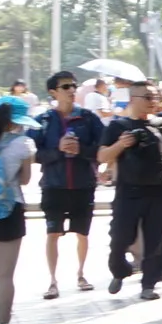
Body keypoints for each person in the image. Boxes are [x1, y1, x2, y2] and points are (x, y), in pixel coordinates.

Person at [99, 84, 162, 301]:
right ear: (133, 98)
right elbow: (102, 156)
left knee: (156, 239)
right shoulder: (117, 126)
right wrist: (121, 145)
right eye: (148, 96)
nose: (153, 100)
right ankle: (119, 270)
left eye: (156, 96)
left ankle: (149, 284)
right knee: (120, 238)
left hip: (158, 190)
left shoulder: (161, 126)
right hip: (128, 191)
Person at [33, 73, 101, 296]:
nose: (72, 90)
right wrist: (58, 150)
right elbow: (34, 154)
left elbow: (102, 149)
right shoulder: (43, 120)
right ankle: (52, 280)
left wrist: (81, 151)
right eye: (65, 86)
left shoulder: (89, 119)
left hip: (83, 184)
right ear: (53, 92)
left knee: (82, 233)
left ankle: (81, 274)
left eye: (74, 85)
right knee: (53, 233)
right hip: (54, 185)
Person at [0, 101, 34, 324]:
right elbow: (25, 180)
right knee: (5, 275)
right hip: (9, 208)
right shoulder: (23, 144)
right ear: (16, 121)